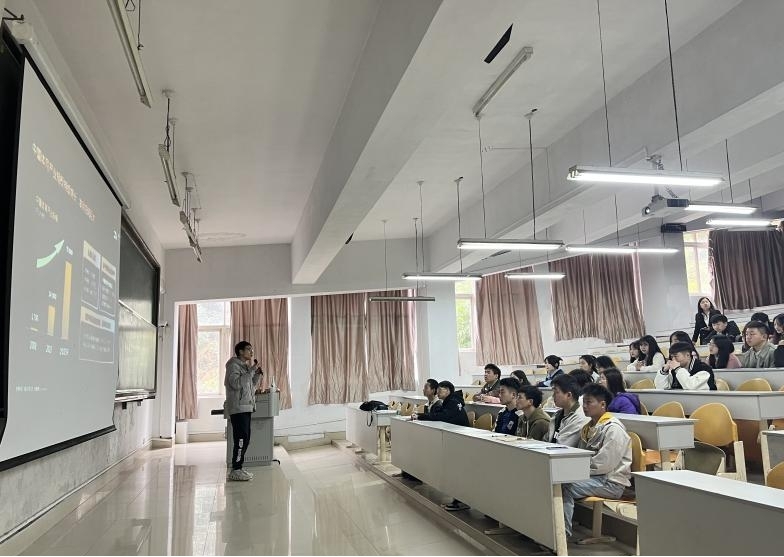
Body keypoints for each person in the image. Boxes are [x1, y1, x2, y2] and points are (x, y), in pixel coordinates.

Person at [561, 383, 632, 539]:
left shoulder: (613, 429)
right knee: (555, 481)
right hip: (593, 478)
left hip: (611, 482)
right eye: (584, 402)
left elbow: (603, 464)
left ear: (602, 404)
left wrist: (575, 472)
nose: (585, 406)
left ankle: (561, 535)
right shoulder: (588, 427)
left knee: (564, 486)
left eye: (589, 402)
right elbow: (580, 455)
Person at [224, 341, 264, 481]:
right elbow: (235, 384)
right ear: (240, 351)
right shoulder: (233, 365)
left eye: (252, 349)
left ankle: (238, 468)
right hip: (238, 408)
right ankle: (235, 470)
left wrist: (256, 375)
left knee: (245, 439)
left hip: (246, 407)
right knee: (241, 439)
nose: (251, 352)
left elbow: (249, 386)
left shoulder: (245, 367)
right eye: (248, 349)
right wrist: (252, 370)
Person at [548, 375, 589, 447]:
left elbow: (562, 447)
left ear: (569, 395)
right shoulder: (557, 415)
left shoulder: (579, 418)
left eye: (556, 392)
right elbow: (547, 439)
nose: (553, 396)